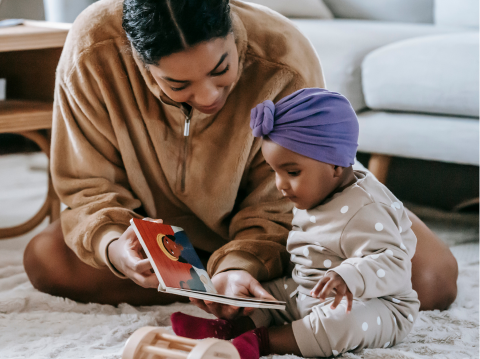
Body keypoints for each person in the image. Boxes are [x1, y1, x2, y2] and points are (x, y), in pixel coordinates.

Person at [22, 0, 457, 313]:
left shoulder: (283, 54)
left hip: (285, 226)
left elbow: (285, 198)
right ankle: (252, 291)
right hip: (158, 227)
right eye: (178, 85)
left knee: (430, 279)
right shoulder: (92, 50)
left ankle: (247, 282)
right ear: (139, 59)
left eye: (221, 70)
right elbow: (87, 186)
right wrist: (115, 247)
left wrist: (241, 261)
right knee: (46, 259)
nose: (207, 96)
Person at [170, 88, 420, 358]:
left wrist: (349, 275)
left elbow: (394, 262)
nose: (280, 185)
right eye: (274, 171)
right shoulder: (316, 190)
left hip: (374, 303)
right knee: (263, 295)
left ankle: (263, 341)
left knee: (339, 323)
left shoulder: (368, 208)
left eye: (291, 172)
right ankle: (232, 327)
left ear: (336, 165)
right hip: (308, 289)